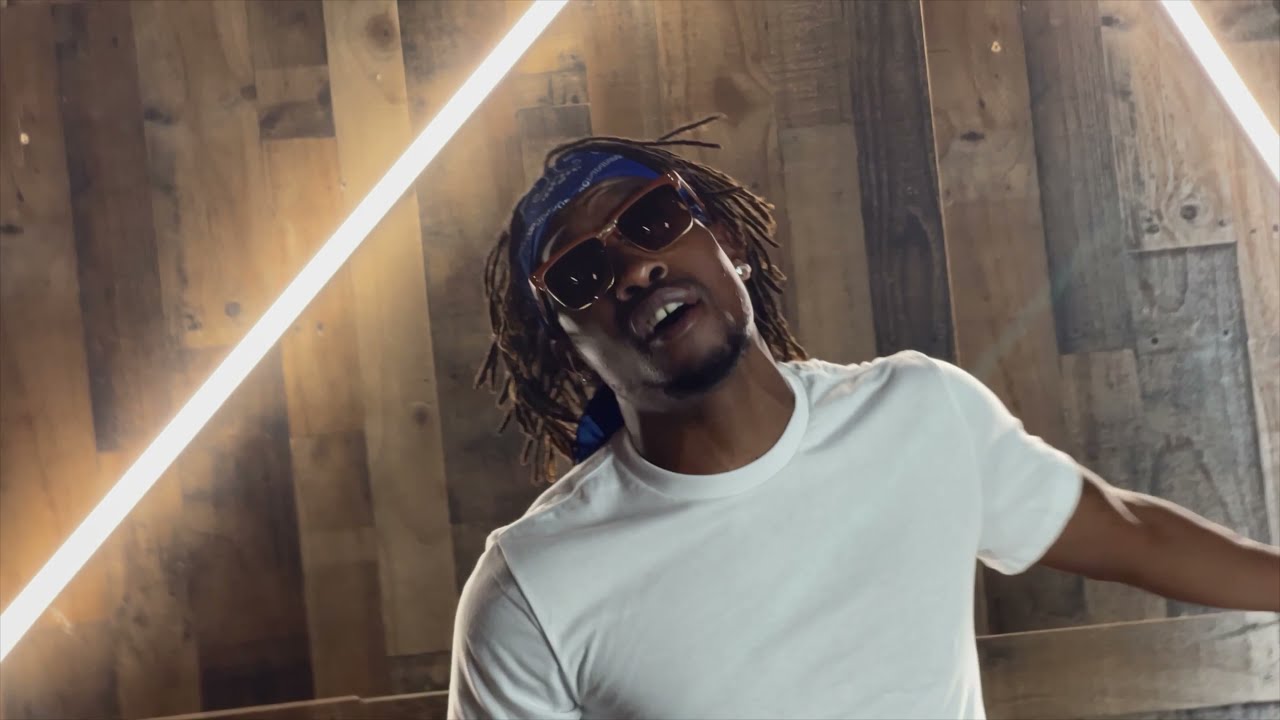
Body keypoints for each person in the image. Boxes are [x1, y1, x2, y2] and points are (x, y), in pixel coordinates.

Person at [451, 117, 1280, 719]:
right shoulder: (532, 589)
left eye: (652, 221)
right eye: (582, 273)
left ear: (728, 240)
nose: (635, 268)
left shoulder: (919, 412)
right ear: (568, 345)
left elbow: (1132, 532)